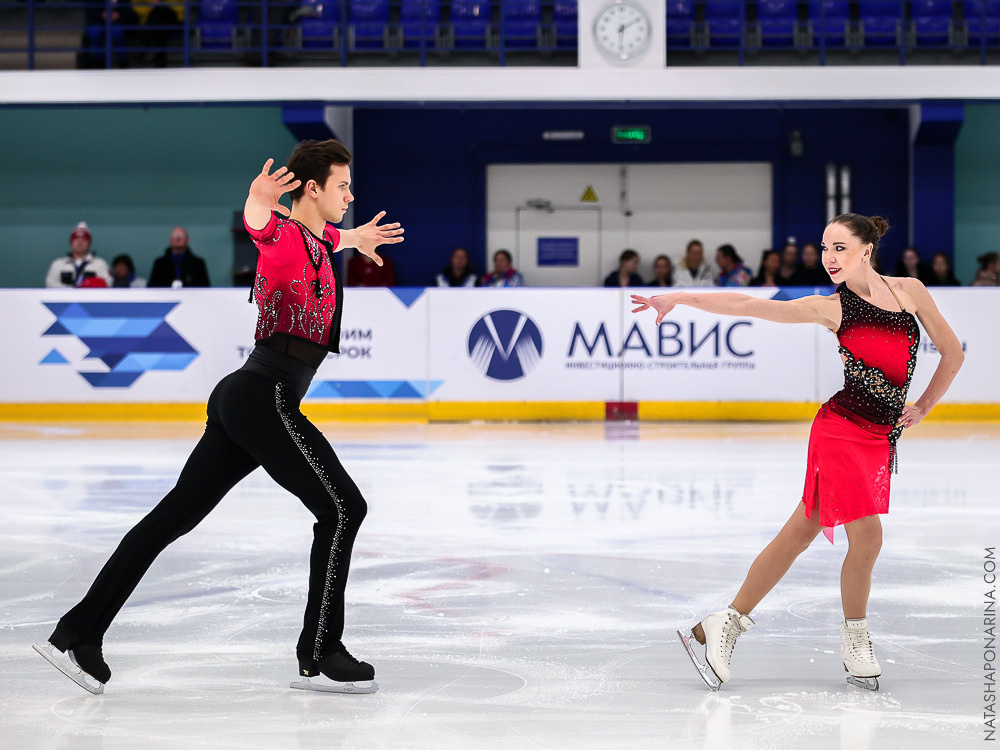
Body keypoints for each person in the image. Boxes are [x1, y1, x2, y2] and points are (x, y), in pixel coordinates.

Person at [33, 139, 404, 696]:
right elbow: (262, 223)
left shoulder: (319, 236)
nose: (351, 197)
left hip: (249, 397)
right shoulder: (280, 235)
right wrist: (257, 199)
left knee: (171, 519)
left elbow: (332, 236)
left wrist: (357, 237)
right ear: (311, 189)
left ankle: (77, 634)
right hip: (264, 396)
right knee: (343, 507)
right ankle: (321, 650)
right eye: (343, 186)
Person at [631, 213, 963, 692]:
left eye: (840, 248)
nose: (829, 258)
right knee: (867, 536)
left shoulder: (910, 291)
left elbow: (952, 353)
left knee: (803, 528)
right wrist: (679, 297)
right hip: (840, 431)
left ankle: (724, 622)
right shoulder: (832, 308)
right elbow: (749, 304)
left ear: (866, 250)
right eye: (825, 248)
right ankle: (854, 637)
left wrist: (924, 406)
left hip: (879, 436)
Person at [45, 222, 113, 288]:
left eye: (84, 240)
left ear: (89, 244)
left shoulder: (99, 264)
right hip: (64, 298)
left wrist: (89, 285)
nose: (80, 243)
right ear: (71, 242)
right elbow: (50, 283)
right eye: (76, 240)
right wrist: (70, 291)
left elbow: (107, 282)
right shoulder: (58, 264)